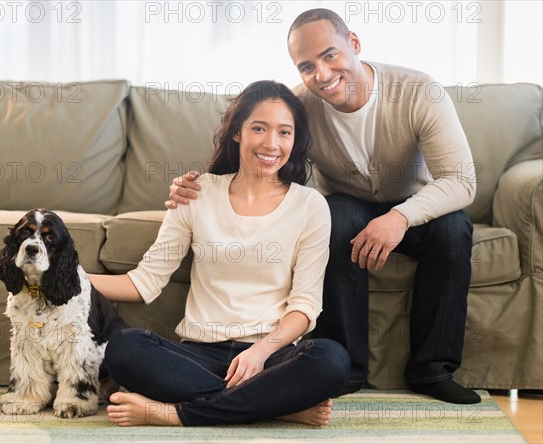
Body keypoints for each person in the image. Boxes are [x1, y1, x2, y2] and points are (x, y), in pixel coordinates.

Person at [166, 9, 481, 405]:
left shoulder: (418, 90)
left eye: (330, 55)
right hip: (347, 207)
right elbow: (263, 159)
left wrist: (400, 216)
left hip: (414, 208)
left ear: (354, 43)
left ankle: (432, 370)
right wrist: (195, 188)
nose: (322, 74)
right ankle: (345, 368)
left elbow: (461, 180)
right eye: (307, 66)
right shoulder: (301, 108)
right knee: (336, 216)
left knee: (454, 228)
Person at [89, 80, 350, 427]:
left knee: (331, 359)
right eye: (259, 128)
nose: (272, 143)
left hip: (272, 354)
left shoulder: (310, 205)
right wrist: (60, 277)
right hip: (197, 353)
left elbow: (305, 307)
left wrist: (261, 351)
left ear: (294, 140)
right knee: (124, 348)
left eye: (284, 132)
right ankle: (276, 407)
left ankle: (173, 413)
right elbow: (144, 284)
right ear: (238, 132)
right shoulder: (197, 193)